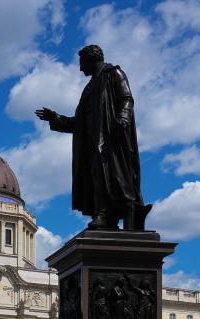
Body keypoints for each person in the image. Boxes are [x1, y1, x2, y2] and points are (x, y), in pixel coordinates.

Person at [35, 45, 149, 230]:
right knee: (97, 178)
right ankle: (104, 215)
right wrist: (54, 117)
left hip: (111, 139)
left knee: (115, 178)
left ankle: (113, 213)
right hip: (91, 143)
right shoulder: (89, 89)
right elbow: (78, 122)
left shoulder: (114, 74)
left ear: (91, 59)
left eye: (82, 63)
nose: (80, 68)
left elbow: (127, 98)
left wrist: (123, 118)